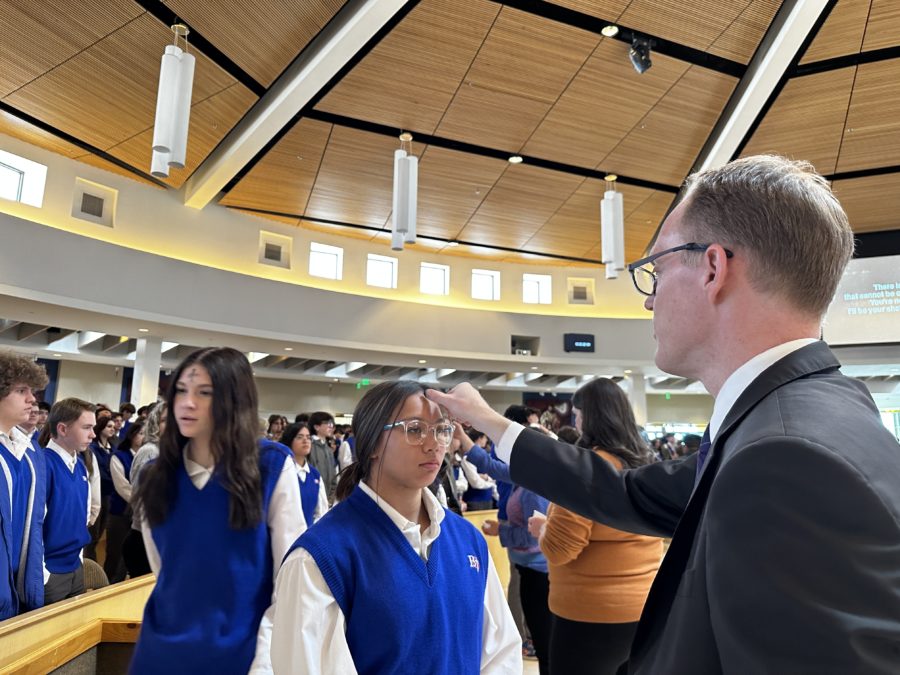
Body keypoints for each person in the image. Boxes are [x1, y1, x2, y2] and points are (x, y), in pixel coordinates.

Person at [428, 155, 900, 673]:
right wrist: (494, 425)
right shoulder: (800, 416)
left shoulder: (784, 457)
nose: (649, 302)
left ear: (714, 269)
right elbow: (626, 492)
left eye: (656, 269)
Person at [269, 381, 522, 673]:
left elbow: (501, 653)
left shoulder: (467, 540)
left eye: (441, 429)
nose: (434, 443)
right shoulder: (321, 558)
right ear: (373, 442)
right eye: (414, 429)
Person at [130, 348, 305, 673]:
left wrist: (267, 659)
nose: (188, 402)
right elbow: (163, 568)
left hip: (245, 652)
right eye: (181, 390)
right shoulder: (154, 474)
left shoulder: (271, 466)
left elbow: (292, 578)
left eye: (204, 392)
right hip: (161, 650)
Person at [528, 378, 662, 675]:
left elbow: (561, 549)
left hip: (589, 612)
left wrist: (543, 527)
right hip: (643, 607)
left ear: (588, 417)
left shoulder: (584, 468)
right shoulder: (646, 463)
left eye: (577, 415)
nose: (575, 423)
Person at [0, 352, 48, 618]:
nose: (32, 399)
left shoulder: (26, 452)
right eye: (21, 390)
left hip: (16, 590)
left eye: (32, 390)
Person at [43, 398, 95, 604]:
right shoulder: (43, 464)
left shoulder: (80, 465)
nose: (93, 434)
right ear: (63, 429)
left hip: (75, 566)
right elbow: (33, 526)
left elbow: (82, 518)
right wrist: (43, 573)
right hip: (51, 572)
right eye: (87, 428)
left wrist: (79, 560)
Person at [106, 420, 144, 582]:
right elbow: (122, 486)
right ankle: (106, 587)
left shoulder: (146, 455)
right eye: (141, 433)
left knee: (128, 557)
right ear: (132, 435)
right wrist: (140, 502)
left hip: (138, 515)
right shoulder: (119, 456)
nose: (144, 437)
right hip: (121, 511)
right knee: (115, 553)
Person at [281, 423, 328, 525]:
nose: (305, 441)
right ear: (289, 441)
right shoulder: (282, 472)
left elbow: (321, 512)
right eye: (299, 437)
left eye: (308, 437)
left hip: (308, 535)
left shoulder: (315, 475)